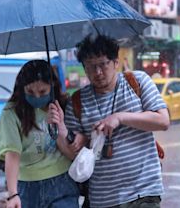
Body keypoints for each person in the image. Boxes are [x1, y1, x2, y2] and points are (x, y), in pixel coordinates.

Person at [54, 35, 170, 208]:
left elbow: (162, 121)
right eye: (91, 67)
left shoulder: (137, 81)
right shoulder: (77, 101)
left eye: (103, 64)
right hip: (103, 198)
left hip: (144, 191)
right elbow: (73, 155)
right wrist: (66, 132)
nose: (98, 72)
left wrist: (120, 117)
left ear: (116, 62)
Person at [0, 60, 86, 208]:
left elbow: (72, 153)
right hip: (27, 187)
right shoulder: (11, 112)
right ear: (21, 89)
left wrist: (60, 126)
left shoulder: (64, 106)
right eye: (30, 92)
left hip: (62, 182)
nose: (37, 97)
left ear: (52, 87)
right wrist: (13, 194)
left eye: (43, 92)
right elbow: (12, 154)